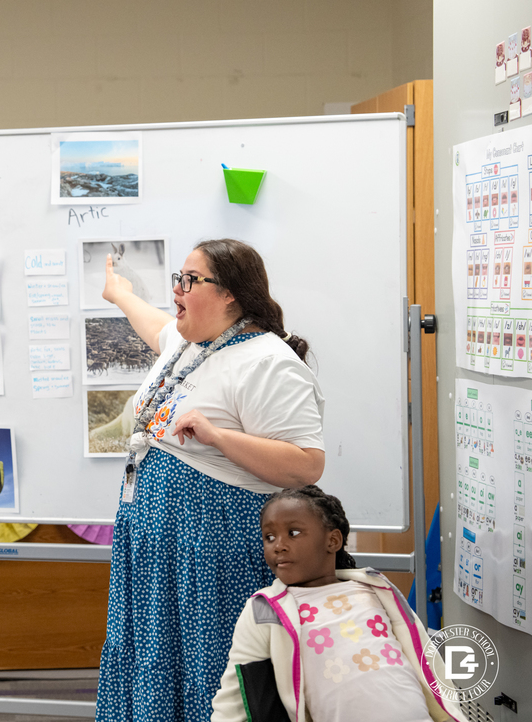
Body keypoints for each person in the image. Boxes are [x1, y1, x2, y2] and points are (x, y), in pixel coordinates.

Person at [95, 239, 325, 722]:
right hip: (160, 552)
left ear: (230, 295)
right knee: (158, 660)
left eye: (190, 280)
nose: (177, 289)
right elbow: (153, 324)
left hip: (212, 554)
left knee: (211, 668)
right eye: (177, 278)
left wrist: (218, 437)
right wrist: (118, 293)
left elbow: (306, 465)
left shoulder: (268, 361)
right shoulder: (189, 344)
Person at [211, 486, 463, 722]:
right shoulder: (265, 609)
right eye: (269, 536)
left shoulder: (376, 589)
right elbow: (234, 699)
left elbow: (429, 663)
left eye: (293, 533)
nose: (278, 545)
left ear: (333, 541)